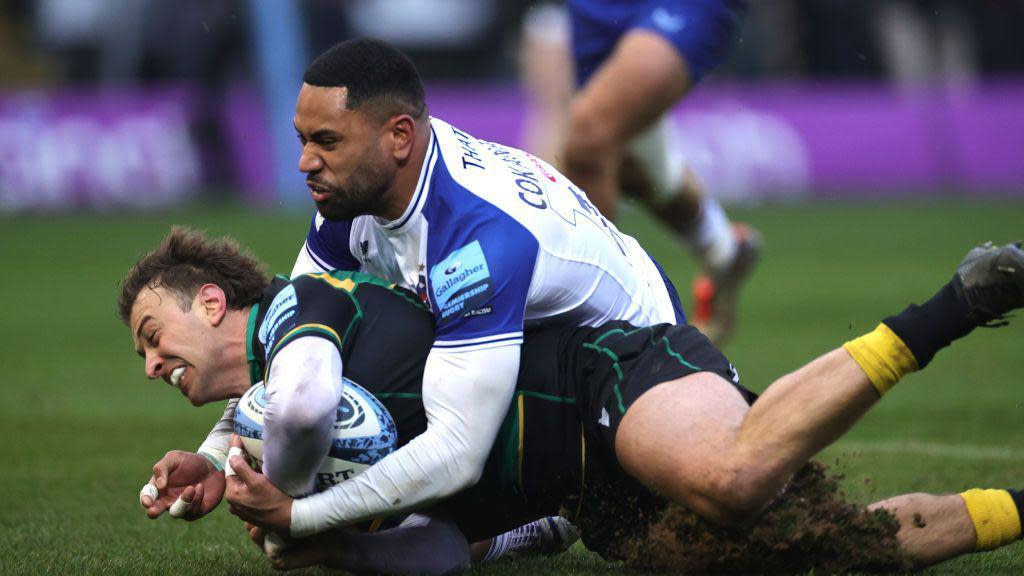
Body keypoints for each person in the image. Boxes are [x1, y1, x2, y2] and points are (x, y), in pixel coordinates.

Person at [122, 228, 1024, 573]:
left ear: (211, 302)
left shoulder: (305, 305)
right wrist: (317, 543)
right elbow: (437, 556)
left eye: (152, 335)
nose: (151, 362)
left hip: (601, 382)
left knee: (735, 475)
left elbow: (301, 406)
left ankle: (952, 308)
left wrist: (294, 518)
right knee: (830, 553)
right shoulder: (270, 427)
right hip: (594, 502)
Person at [280, 36, 690, 537]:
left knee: (415, 511)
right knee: (356, 349)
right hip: (548, 333)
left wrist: (298, 517)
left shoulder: (477, 242)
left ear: (400, 137)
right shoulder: (359, 187)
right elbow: (298, 333)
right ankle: (531, 518)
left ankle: (549, 515)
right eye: (302, 140)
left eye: (326, 141)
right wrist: (217, 457)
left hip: (646, 362)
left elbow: (456, 454)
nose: (306, 162)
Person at [558, 0, 761, 344]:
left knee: (589, 138)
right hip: (592, 9)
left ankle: (607, 334)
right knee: (625, 163)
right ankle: (722, 248)